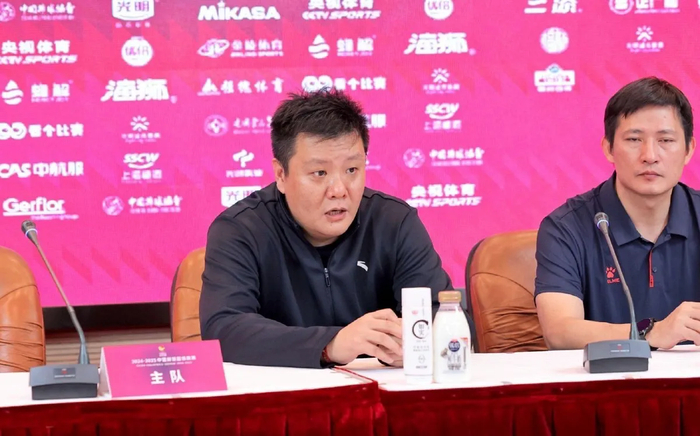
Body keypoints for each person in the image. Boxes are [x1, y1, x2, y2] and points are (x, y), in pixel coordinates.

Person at [199, 88, 452, 368]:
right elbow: (225, 329)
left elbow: (444, 316)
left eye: (352, 170)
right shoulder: (240, 230)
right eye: (319, 173)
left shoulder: (394, 222)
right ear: (281, 174)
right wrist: (330, 345)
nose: (339, 190)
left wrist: (414, 343)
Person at [535, 76, 700, 351]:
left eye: (666, 140)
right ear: (609, 148)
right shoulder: (565, 227)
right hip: (606, 377)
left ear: (689, 150)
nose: (650, 155)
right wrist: (650, 333)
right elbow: (559, 331)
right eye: (634, 139)